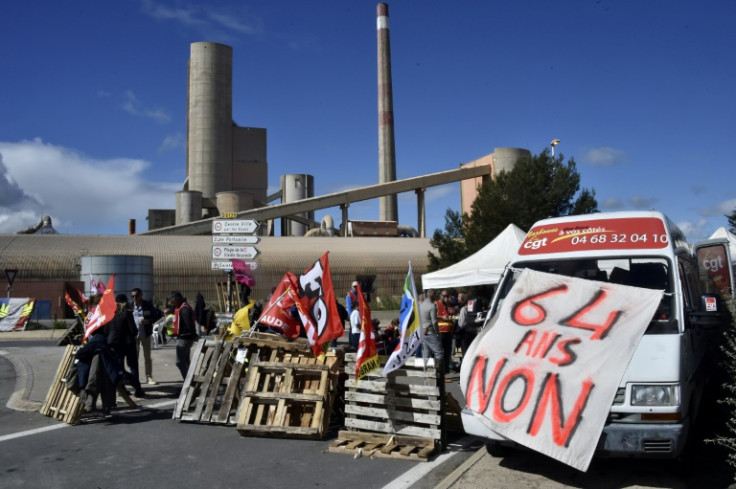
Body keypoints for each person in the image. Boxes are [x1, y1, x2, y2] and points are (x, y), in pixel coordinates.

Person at [107, 294, 144, 397]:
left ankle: (122, 389)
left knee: (119, 367)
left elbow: (106, 329)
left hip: (114, 343)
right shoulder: (127, 313)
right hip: (127, 344)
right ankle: (137, 388)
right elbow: (133, 330)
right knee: (133, 366)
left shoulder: (111, 314)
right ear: (125, 302)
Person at [131, 288, 161, 385]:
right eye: (132, 296)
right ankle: (135, 378)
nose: (134, 298)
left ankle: (149, 376)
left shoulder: (147, 305)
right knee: (134, 358)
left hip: (145, 334)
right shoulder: (130, 306)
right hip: (134, 335)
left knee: (147, 357)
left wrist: (148, 321)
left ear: (141, 295)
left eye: (136, 296)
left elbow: (155, 316)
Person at [169, 291, 197, 380]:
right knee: (186, 361)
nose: (171, 303)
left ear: (177, 300)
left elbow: (189, 325)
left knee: (180, 362)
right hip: (183, 337)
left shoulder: (184, 309)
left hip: (185, 338)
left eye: (172, 301)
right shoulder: (181, 307)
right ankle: (190, 382)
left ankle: (187, 381)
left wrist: (194, 335)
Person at [418, 289, 444, 366]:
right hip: (430, 331)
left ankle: (426, 373)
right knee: (439, 352)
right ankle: (439, 374)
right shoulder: (432, 306)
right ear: (434, 296)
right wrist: (437, 333)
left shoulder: (421, 305)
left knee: (426, 353)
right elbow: (434, 321)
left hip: (422, 331)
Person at [436, 289, 456, 374]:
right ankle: (439, 369)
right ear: (440, 296)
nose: (445, 298)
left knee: (448, 352)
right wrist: (442, 317)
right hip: (441, 332)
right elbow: (433, 315)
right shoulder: (437, 304)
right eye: (443, 296)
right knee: (440, 351)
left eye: (447, 296)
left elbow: (455, 315)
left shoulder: (450, 306)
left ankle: (446, 369)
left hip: (449, 332)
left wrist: (454, 313)